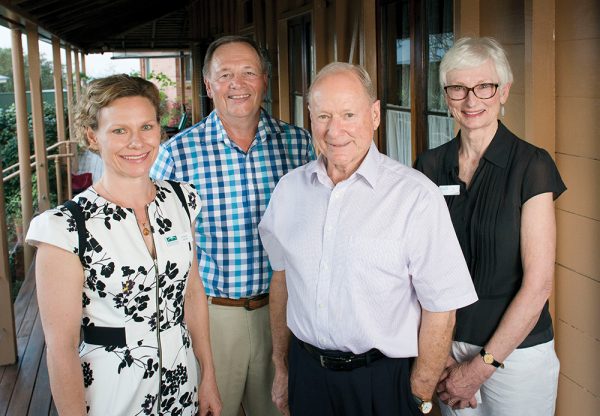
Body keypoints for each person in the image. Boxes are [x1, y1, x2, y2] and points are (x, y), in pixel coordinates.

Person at [258, 62, 478, 416]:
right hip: (308, 375)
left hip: (383, 382)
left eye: (349, 114)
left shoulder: (415, 196)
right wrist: (282, 367)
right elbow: (282, 280)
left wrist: (419, 393)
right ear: (310, 118)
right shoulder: (289, 191)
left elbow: (442, 309)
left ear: (375, 114)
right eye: (324, 116)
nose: (335, 130)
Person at [26, 74, 222, 416]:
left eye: (147, 127)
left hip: (183, 385)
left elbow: (191, 293)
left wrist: (208, 377)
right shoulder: (65, 228)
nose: (137, 142)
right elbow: (61, 349)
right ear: (92, 135)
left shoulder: (182, 200)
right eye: (119, 130)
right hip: (111, 394)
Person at [151, 36, 313, 416]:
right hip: (213, 316)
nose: (236, 84)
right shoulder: (177, 153)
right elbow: (158, 242)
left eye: (248, 73)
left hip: (287, 312)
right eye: (225, 75)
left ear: (265, 81)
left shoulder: (298, 144)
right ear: (208, 86)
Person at [414, 37, 566, 416]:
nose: (471, 100)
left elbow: (538, 286)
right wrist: (437, 353)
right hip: (444, 347)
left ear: (504, 92)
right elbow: (415, 270)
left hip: (517, 357)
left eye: (484, 86)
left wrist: (480, 368)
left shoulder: (532, 166)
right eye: (458, 88)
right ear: (445, 95)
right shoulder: (428, 167)